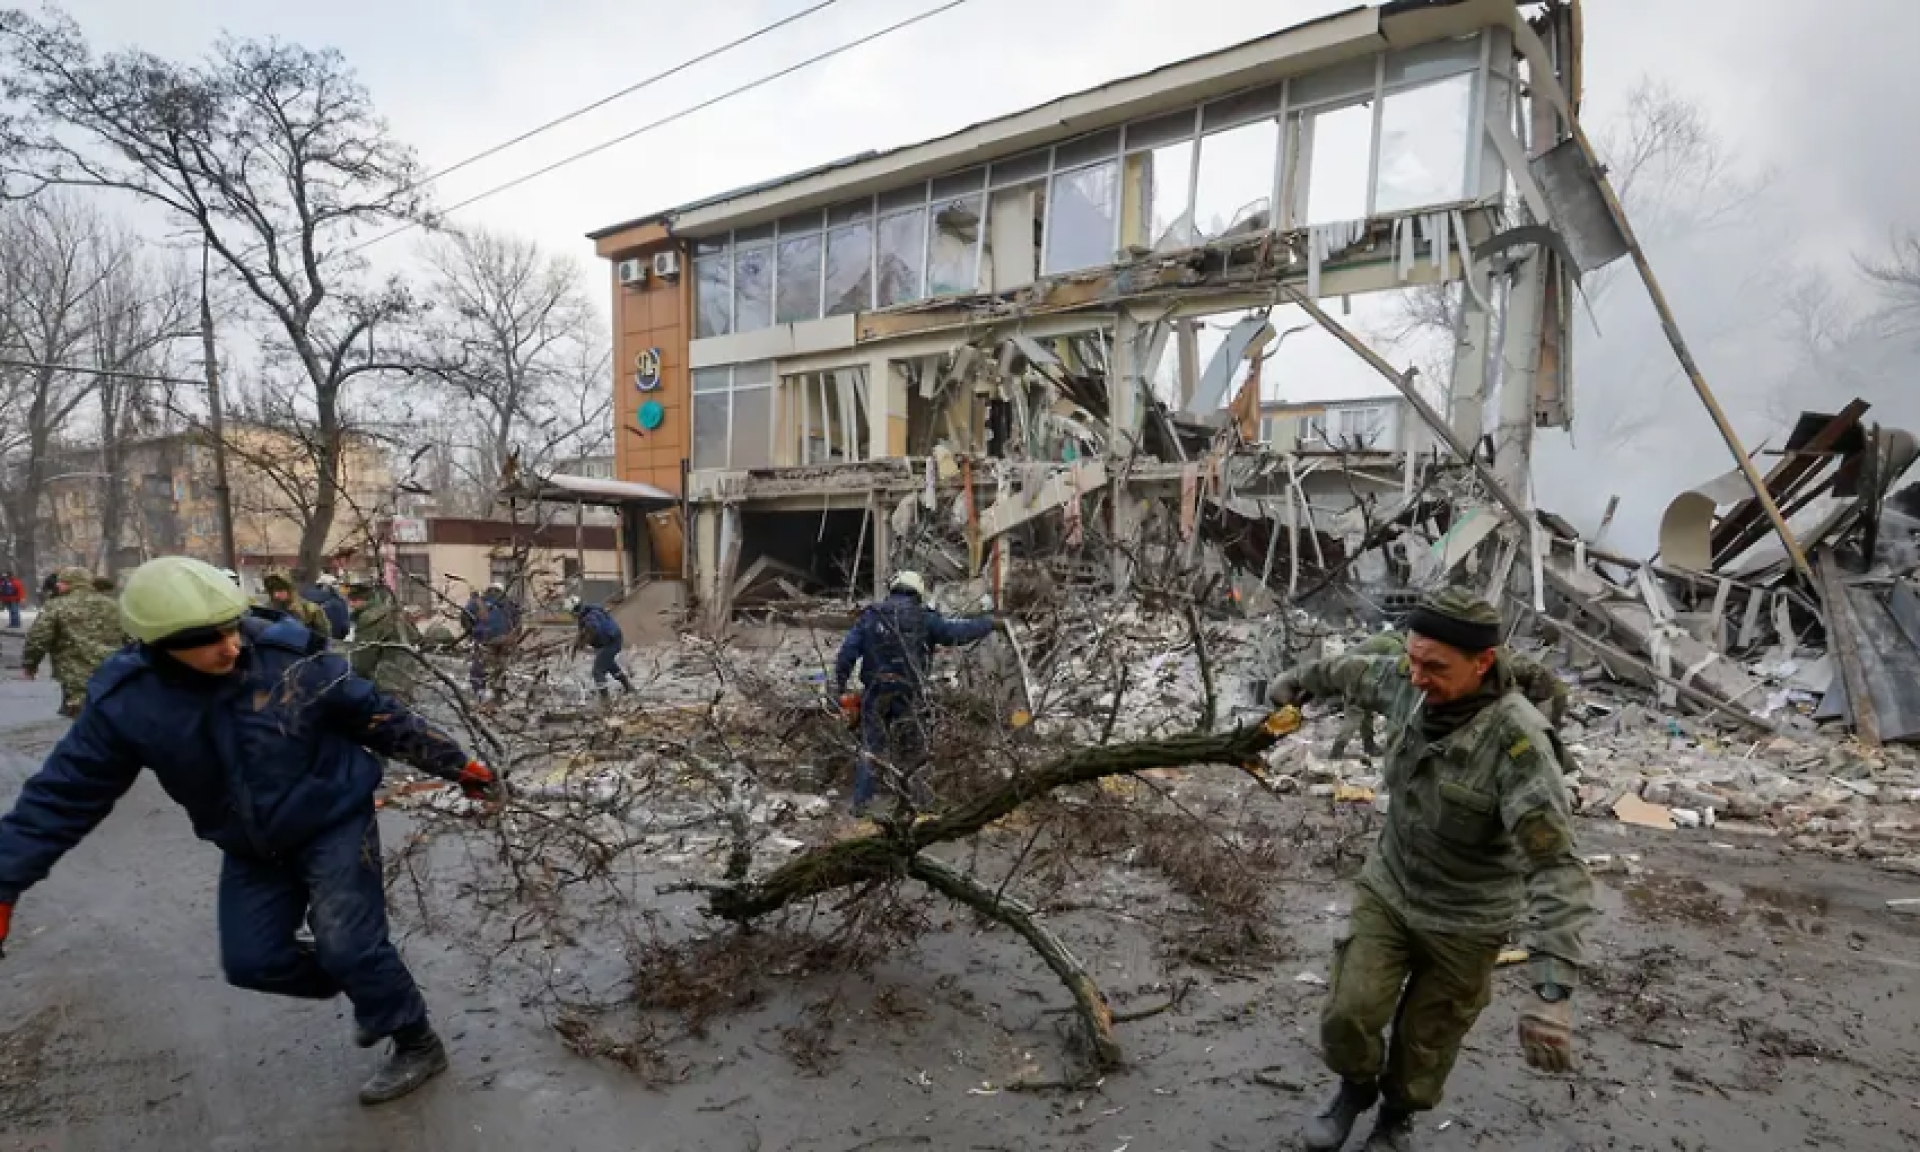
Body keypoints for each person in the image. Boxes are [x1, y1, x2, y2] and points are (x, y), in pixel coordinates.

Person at [0, 557, 498, 1105]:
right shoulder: (128, 704)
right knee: (251, 961)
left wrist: (455, 763)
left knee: (347, 941)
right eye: (207, 640)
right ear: (160, 644)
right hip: (250, 843)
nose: (230, 646)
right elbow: (63, 795)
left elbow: (376, 715)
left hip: (332, 817)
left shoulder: (288, 658)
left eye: (231, 628)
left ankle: (415, 1040)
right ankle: (366, 984)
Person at [1268, 588, 1593, 1152]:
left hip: (1467, 919)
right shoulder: (1409, 681)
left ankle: (1396, 1118)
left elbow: (1556, 866)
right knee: (1349, 1012)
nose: (1417, 677)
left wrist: (1552, 990)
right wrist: (1298, 680)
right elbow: (1351, 671)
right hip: (1391, 888)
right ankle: (1355, 1088)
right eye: (1414, 660)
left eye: (1434, 667)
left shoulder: (1518, 744)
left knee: (1428, 1040)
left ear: (1482, 662)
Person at [832, 571, 994, 815]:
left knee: (872, 748)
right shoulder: (924, 618)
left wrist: (840, 685)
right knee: (914, 750)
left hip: (876, 690)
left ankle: (860, 804)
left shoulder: (871, 615)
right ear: (918, 592)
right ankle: (921, 804)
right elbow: (955, 634)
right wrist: (989, 623)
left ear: (894, 588)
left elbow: (846, 653)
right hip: (908, 692)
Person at [1331, 629, 1570, 760]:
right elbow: (1400, 671)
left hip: (1355, 676)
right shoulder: (1392, 648)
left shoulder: (1381, 643)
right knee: (1358, 713)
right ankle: (1339, 753)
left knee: (1360, 712)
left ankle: (1364, 747)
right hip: (1361, 678)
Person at [20, 566, 125, 719]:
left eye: (61, 582)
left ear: (72, 583)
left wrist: (30, 664)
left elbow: (39, 637)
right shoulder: (112, 605)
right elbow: (130, 636)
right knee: (108, 713)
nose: (57, 585)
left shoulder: (57, 606)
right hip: (111, 671)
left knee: (83, 719)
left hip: (75, 675)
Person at [346, 579, 420, 701]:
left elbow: (363, 660)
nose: (350, 605)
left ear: (360, 600)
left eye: (352, 601)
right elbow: (415, 638)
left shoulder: (369, 618)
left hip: (385, 684)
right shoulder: (392, 612)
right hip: (407, 678)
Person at [461, 582, 521, 698]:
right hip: (505, 641)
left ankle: (480, 693)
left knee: (479, 668)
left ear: (488, 590)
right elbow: (518, 625)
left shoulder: (477, 602)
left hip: (485, 639)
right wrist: (513, 639)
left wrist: (471, 631)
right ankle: (497, 694)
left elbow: (465, 616)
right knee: (500, 668)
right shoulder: (510, 604)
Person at [568, 595, 633, 699]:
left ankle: (605, 700)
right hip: (611, 640)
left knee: (597, 671)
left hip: (611, 643)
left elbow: (592, 629)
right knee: (609, 664)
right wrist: (575, 646)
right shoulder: (588, 613)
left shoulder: (590, 616)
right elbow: (582, 633)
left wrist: (583, 643)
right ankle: (629, 688)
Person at [304, 573, 353, 642]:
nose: (337, 587)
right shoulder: (338, 603)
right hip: (334, 641)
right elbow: (344, 627)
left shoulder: (305, 600)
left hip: (312, 641)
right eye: (335, 584)